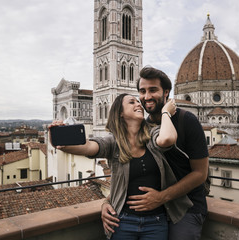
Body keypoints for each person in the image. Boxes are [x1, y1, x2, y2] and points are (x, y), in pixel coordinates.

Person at [50, 93, 192, 240]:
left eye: (138, 102)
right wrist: (62, 144)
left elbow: (168, 138)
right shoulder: (113, 142)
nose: (139, 104)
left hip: (156, 222)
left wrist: (165, 112)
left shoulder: (153, 134)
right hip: (122, 221)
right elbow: (88, 147)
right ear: (121, 113)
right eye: (132, 102)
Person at [101, 67, 209, 240]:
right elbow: (131, 174)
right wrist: (107, 202)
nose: (147, 97)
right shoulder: (142, 127)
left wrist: (161, 197)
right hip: (155, 211)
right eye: (142, 91)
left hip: (186, 207)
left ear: (166, 92)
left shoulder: (186, 121)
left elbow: (200, 174)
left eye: (153, 90)